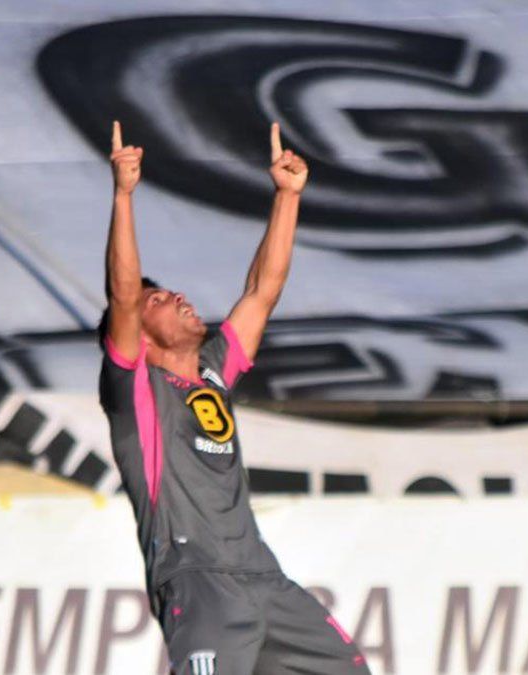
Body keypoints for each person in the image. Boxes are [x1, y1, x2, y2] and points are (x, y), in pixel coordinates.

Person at [98, 121, 370, 674]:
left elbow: (261, 292)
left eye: (170, 290)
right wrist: (124, 196)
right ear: (138, 337)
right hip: (199, 585)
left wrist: (287, 198)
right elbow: (122, 296)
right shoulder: (136, 389)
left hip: (264, 579)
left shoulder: (213, 372)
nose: (176, 295)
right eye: (158, 300)